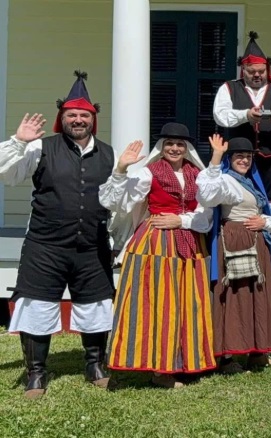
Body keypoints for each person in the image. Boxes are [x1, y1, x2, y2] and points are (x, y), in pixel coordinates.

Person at [0, 72, 114, 398]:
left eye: (84, 115)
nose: (78, 120)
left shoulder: (108, 153)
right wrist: (18, 141)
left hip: (92, 245)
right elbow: (6, 174)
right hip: (45, 245)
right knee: (37, 305)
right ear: (61, 118)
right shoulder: (39, 147)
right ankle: (36, 374)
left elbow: (119, 196)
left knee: (96, 305)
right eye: (72, 115)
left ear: (93, 119)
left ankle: (95, 366)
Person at [101, 123, 214, 388]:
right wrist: (120, 170)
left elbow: (207, 213)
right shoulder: (148, 174)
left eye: (180, 144)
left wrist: (182, 221)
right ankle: (160, 370)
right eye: (169, 143)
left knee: (188, 302)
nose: (174, 148)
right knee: (159, 304)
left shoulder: (198, 174)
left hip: (190, 241)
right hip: (155, 244)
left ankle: (185, 363)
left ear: (187, 148)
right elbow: (115, 202)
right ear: (161, 147)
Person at [197, 135, 271, 372]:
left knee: (257, 295)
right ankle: (226, 356)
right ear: (230, 158)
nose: (244, 160)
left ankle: (257, 351)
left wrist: (265, 222)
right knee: (234, 297)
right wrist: (215, 159)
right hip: (234, 242)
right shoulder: (225, 181)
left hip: (256, 242)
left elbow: (266, 213)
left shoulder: (252, 183)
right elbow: (207, 195)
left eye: (248, 157)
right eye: (239, 156)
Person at [213, 31, 271, 202]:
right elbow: (220, 116)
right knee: (240, 201)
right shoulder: (229, 88)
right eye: (252, 71)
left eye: (261, 71)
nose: (257, 75)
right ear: (243, 70)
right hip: (239, 159)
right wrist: (246, 115)